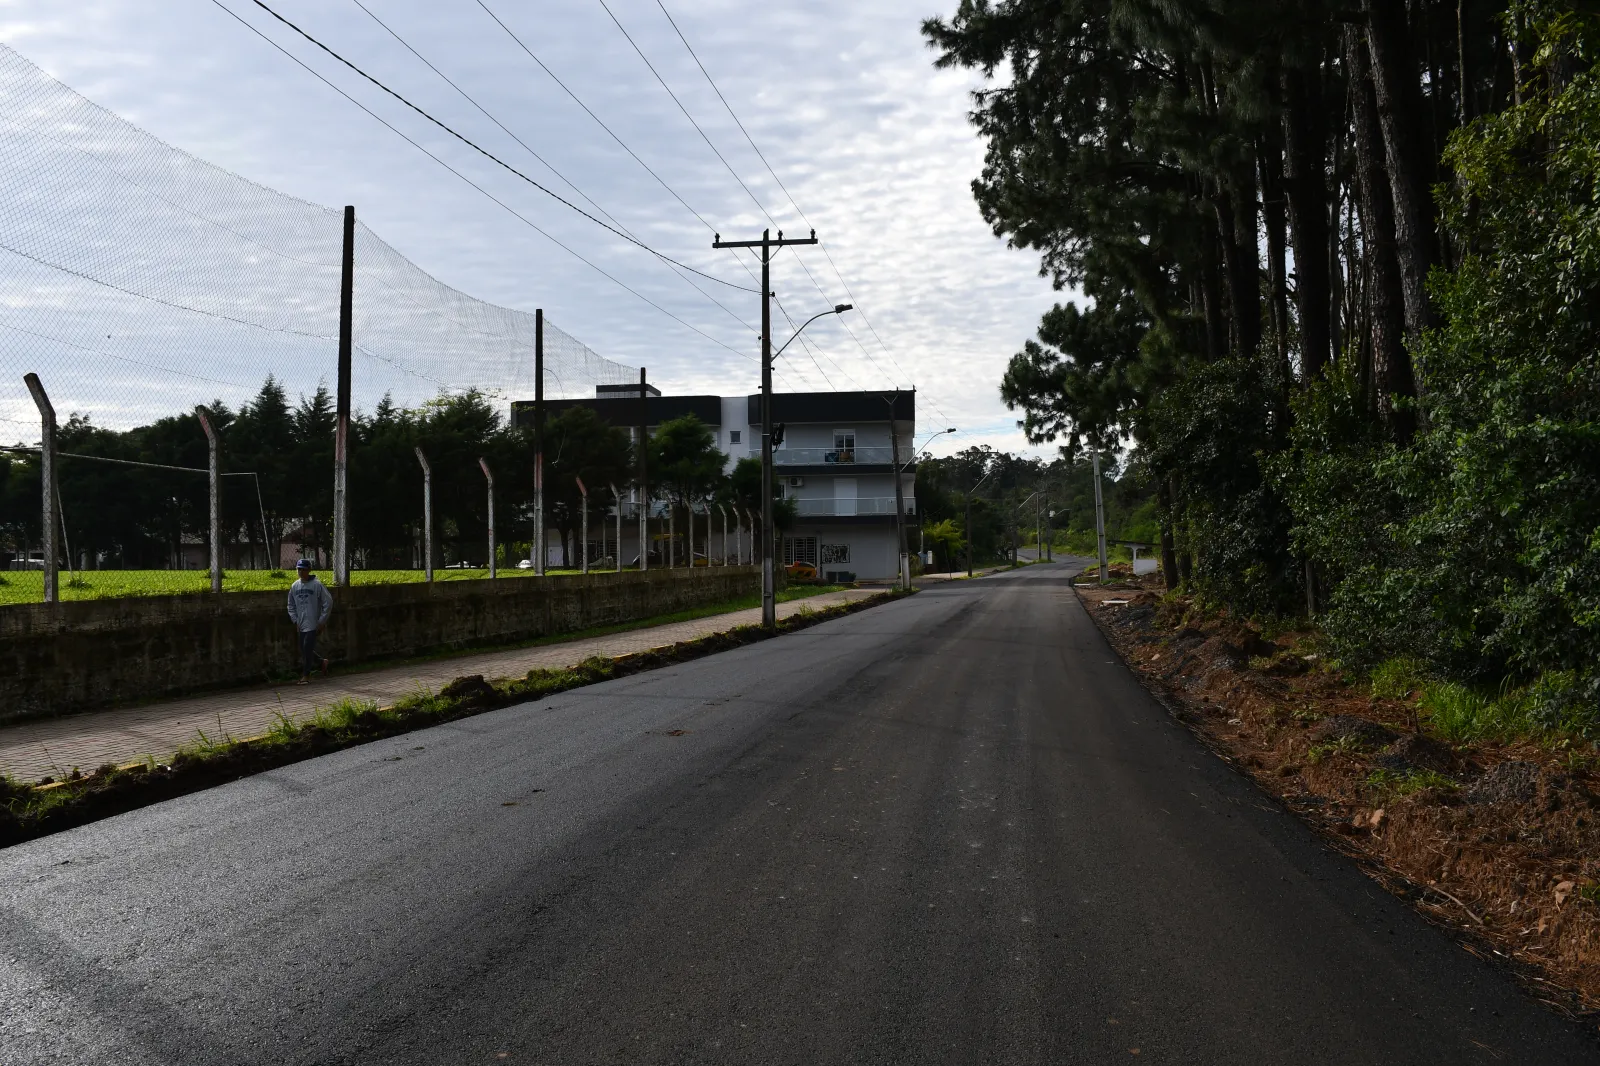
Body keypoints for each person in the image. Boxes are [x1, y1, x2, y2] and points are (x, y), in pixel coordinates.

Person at [286, 559, 333, 684]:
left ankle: (306, 675)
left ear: (309, 570)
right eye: (299, 569)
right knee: (304, 648)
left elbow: (328, 602)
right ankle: (322, 662)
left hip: (313, 623)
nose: (301, 572)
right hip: (301, 623)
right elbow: (290, 605)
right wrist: (295, 620)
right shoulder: (295, 586)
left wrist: (322, 621)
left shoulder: (317, 585)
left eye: (304, 569)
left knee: (307, 648)